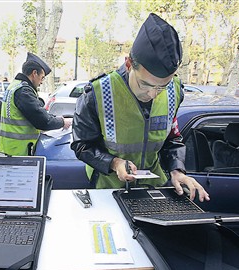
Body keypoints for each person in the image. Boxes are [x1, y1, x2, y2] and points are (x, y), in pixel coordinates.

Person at [71, 13, 210, 202]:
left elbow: (172, 138)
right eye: (145, 84)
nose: (153, 94)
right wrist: (114, 162)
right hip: (108, 189)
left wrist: (177, 170)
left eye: (162, 86)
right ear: (129, 64)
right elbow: (82, 145)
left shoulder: (175, 91)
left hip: (153, 189)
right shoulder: (97, 93)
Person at [0, 52, 72, 156]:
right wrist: (62, 122)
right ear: (34, 73)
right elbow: (42, 121)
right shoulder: (23, 91)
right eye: (42, 77)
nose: (41, 82)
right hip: (21, 150)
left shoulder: (15, 86)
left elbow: (35, 112)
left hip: (13, 147)